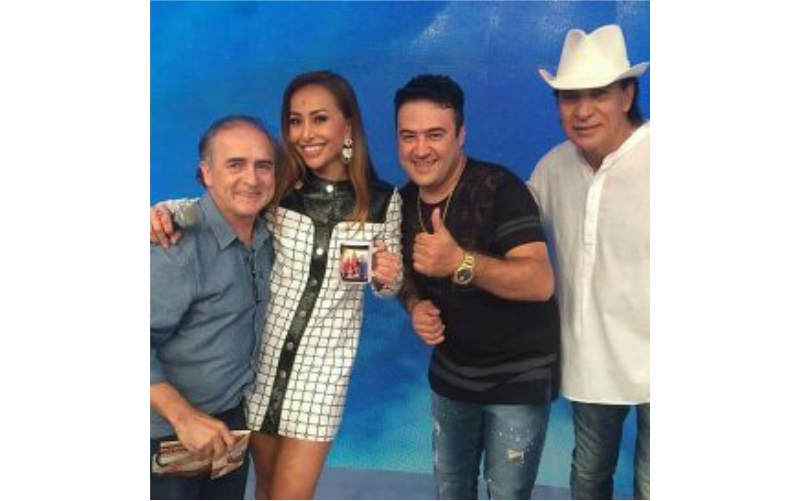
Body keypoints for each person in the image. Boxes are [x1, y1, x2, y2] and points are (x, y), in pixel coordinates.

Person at [150, 70, 403, 499]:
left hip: (322, 374)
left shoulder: (380, 202)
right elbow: (215, 204)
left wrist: (388, 277)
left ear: (348, 126)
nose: (306, 133)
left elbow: (387, 284)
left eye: (319, 119)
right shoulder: (280, 188)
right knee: (263, 490)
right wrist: (160, 212)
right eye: (295, 121)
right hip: (259, 370)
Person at [394, 74, 561, 500]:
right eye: (409, 136)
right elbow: (405, 274)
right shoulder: (403, 202)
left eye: (435, 134)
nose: (420, 149)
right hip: (451, 377)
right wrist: (414, 304)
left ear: (461, 134)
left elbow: (540, 281)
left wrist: (460, 263)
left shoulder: (499, 188)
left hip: (517, 380)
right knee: (451, 492)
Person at [528, 24, 650, 500]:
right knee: (588, 480)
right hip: (591, 362)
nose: (582, 110)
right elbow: (508, 228)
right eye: (569, 96)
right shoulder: (553, 167)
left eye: (598, 93)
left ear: (627, 95)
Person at [150, 115, 276, 499]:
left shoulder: (271, 235)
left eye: (263, 165)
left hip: (229, 428)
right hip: (167, 434)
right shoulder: (175, 246)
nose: (252, 179)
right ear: (206, 173)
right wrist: (183, 416)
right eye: (235, 164)